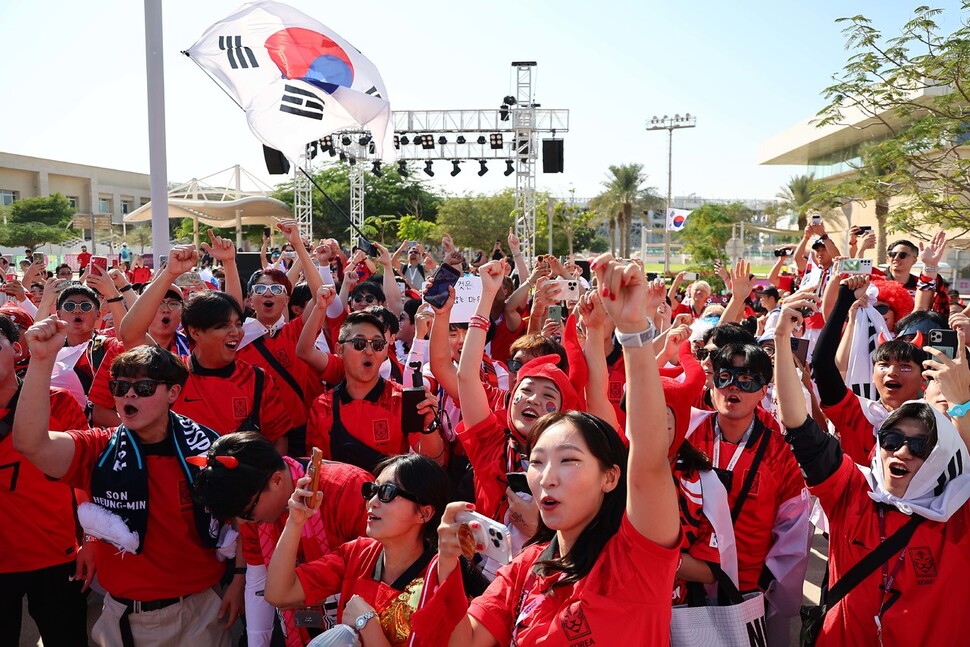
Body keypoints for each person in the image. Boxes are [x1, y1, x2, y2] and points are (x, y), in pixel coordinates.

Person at [420, 254, 681, 646]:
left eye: (569, 460)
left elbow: (647, 462)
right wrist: (445, 563)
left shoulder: (636, 560)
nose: (548, 476)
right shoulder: (526, 569)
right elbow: (463, 641)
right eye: (538, 461)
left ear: (611, 476)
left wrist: (632, 332)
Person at [13, 328, 243, 646]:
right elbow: (32, 444)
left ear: (173, 393)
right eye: (120, 387)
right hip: (128, 619)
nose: (128, 396)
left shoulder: (209, 447)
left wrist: (240, 579)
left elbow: (243, 517)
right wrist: (41, 361)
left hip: (203, 609)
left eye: (144, 387)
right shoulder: (98, 449)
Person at [774, 298, 970, 645]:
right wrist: (780, 341)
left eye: (921, 446)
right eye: (892, 439)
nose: (903, 451)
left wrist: (961, 404)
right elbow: (800, 428)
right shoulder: (852, 492)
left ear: (941, 456)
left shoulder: (957, 515)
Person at [265, 453, 487, 646]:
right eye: (371, 490)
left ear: (424, 513)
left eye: (387, 492)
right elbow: (279, 593)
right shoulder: (358, 553)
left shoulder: (439, 577)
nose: (372, 501)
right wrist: (295, 522)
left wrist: (366, 622)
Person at [192, 432, 373, 647]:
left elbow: (381, 571)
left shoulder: (348, 488)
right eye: (237, 516)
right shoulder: (250, 509)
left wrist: (310, 591)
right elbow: (258, 578)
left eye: (247, 512)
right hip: (299, 629)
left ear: (277, 480)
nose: (244, 523)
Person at [688, 341, 810, 642]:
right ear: (711, 381)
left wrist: (771, 590)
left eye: (747, 381)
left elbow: (792, 534)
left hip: (747, 590)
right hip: (683, 583)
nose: (734, 389)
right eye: (725, 377)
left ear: (763, 390)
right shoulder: (684, 433)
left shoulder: (780, 454)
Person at [0, 313, 91, 646]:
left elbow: (86, 474)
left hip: (58, 555)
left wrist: (91, 541)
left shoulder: (59, 402)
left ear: (16, 349)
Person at [301, 306, 444, 472]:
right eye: (359, 343)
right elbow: (316, 470)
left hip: (390, 496)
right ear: (339, 350)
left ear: (385, 352)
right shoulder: (322, 406)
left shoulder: (402, 400)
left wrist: (428, 427)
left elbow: (435, 462)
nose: (369, 351)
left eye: (377, 344)